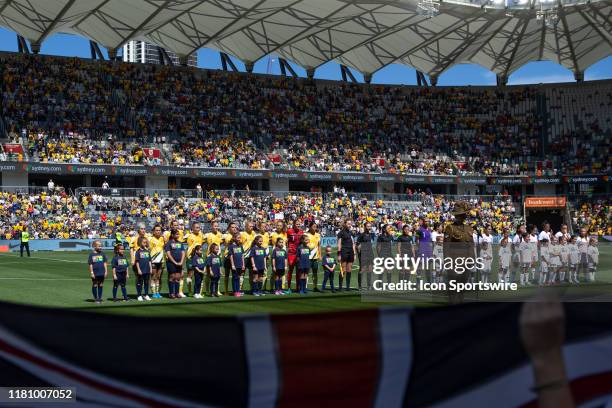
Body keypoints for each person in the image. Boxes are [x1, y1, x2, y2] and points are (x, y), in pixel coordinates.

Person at [443, 201, 474, 303]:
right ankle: (452, 303)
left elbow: (471, 245)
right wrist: (448, 262)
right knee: (453, 284)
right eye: (462, 214)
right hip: (454, 260)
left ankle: (460, 301)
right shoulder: (450, 228)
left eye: (464, 214)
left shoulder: (469, 228)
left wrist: (472, 259)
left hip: (466, 261)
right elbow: (446, 247)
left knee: (463, 284)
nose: (464, 216)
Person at [203, 221, 223, 296]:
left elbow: (220, 243)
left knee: (217, 275)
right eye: (215, 226)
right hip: (210, 257)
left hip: (218, 257)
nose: (216, 227)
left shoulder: (220, 235)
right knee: (209, 275)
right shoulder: (208, 235)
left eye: (217, 226)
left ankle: (216, 291)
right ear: (211, 226)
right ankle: (208, 290)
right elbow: (201, 242)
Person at [185, 221, 205, 297]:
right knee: (190, 274)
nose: (198, 229)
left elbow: (201, 244)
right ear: (192, 228)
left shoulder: (201, 235)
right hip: (190, 257)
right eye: (196, 227)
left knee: (200, 274)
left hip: (199, 257)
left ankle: (198, 292)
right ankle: (190, 292)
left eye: (199, 227)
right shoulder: (189, 236)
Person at [164, 229, 185, 299]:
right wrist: (174, 262)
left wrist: (181, 261)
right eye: (176, 234)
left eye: (178, 234)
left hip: (180, 263)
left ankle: (177, 293)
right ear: (172, 235)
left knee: (178, 277)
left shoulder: (180, 243)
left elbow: (183, 252)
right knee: (172, 277)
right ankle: (171, 293)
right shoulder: (169, 243)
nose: (178, 235)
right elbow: (168, 253)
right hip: (171, 263)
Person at [337, 219, 355, 291]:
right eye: (348, 224)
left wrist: (354, 253)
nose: (349, 225)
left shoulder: (350, 233)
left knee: (349, 270)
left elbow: (353, 243)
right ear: (344, 224)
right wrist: (339, 254)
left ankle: (348, 286)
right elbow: (339, 244)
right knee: (343, 270)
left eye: (350, 224)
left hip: (350, 252)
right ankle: (340, 286)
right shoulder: (341, 233)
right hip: (344, 252)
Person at [356, 222, 375, 290]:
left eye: (370, 226)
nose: (369, 228)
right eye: (367, 226)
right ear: (364, 227)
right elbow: (357, 246)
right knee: (362, 270)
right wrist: (359, 254)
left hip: (370, 254)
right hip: (363, 254)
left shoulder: (370, 235)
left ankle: (369, 285)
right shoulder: (361, 235)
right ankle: (359, 286)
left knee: (370, 269)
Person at [286, 219, 304, 293]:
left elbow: (302, 242)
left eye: (299, 224)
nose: (298, 225)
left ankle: (298, 288)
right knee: (290, 270)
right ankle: (289, 288)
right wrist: (288, 249)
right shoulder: (289, 231)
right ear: (293, 224)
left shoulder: (301, 232)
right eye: (297, 224)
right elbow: (286, 241)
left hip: (298, 254)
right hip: (291, 254)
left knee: (298, 271)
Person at [222, 222, 239, 294]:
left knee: (235, 275)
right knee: (227, 274)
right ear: (229, 228)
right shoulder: (225, 236)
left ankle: (236, 290)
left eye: (235, 227)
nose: (234, 228)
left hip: (236, 258)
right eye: (232, 227)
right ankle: (226, 290)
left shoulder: (238, 236)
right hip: (227, 257)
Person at [149, 224, 165, 299]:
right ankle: (153, 293)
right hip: (153, 260)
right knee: (153, 276)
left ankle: (158, 292)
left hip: (161, 260)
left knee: (158, 277)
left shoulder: (162, 239)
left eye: (159, 230)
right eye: (156, 230)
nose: (158, 231)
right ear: (154, 231)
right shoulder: (150, 239)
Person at [305, 222, 321, 292]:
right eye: (313, 226)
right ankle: (305, 287)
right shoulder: (306, 234)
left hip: (315, 257)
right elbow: (304, 245)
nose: (315, 228)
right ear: (310, 227)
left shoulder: (318, 235)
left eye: (316, 227)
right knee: (307, 272)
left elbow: (319, 246)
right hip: (308, 257)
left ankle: (315, 287)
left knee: (315, 273)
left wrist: (320, 255)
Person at [134, 236, 152, 301]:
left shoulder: (147, 251)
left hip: (147, 270)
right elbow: (137, 262)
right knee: (140, 283)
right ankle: (139, 295)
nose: (145, 243)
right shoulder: (138, 252)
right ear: (140, 243)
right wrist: (138, 269)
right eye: (144, 242)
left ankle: (146, 295)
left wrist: (150, 268)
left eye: (146, 242)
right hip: (141, 270)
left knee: (146, 282)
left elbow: (149, 260)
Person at [228, 233, 245, 297]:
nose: (239, 239)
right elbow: (231, 256)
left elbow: (242, 255)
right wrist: (232, 265)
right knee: (235, 277)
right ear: (234, 238)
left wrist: (243, 264)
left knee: (238, 277)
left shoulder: (240, 246)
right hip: (234, 265)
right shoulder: (231, 246)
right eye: (238, 238)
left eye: (240, 238)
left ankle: (238, 290)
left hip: (240, 265)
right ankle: (235, 291)